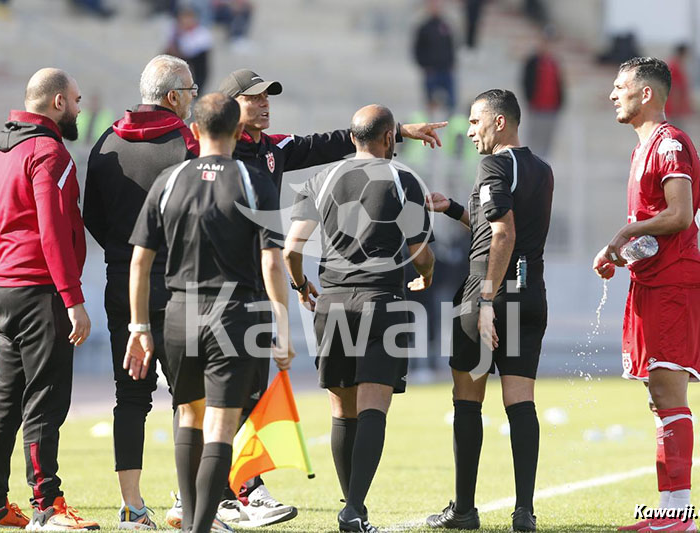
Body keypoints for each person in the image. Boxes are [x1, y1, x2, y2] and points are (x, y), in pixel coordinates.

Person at [156, 68, 446, 528]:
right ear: (232, 109)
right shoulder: (208, 158)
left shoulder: (275, 152)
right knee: (204, 399)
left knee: (244, 395)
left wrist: (401, 132)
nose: (266, 103)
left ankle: (231, 492)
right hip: (219, 291)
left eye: (269, 97)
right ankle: (204, 494)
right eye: (255, 98)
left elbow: (329, 143)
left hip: (272, 291)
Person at [125, 92, 295, 533]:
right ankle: (199, 527)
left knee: (189, 414)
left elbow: (140, 261)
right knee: (221, 422)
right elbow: (272, 262)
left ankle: (189, 524)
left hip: (179, 313)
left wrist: (139, 327)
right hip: (233, 315)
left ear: (194, 130)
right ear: (240, 132)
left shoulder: (169, 180)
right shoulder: (253, 180)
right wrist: (282, 325)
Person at [284, 104, 436, 532]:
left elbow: (292, 250)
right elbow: (419, 252)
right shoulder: (403, 180)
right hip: (382, 300)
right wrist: (426, 275)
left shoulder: (319, 179)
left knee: (341, 410)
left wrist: (300, 286)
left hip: (331, 302)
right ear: (390, 138)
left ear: (352, 138)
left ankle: (353, 508)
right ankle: (353, 507)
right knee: (374, 406)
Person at [0, 68, 98, 530]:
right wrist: (73, 298)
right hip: (41, 290)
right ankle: (48, 503)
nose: (81, 109)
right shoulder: (49, 152)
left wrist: (5, 273)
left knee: (6, 397)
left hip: (4, 286)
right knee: (46, 398)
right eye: (78, 100)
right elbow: (53, 231)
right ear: (58, 102)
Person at [425, 89, 553, 532]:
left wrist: (483, 299)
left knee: (467, 400)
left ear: (500, 122)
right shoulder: (541, 169)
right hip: (528, 292)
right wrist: (455, 210)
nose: (471, 130)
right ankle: (524, 511)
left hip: (488, 295)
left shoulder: (494, 164)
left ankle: (463, 510)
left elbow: (502, 234)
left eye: (476, 121)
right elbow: (495, 225)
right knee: (520, 400)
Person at [594, 57, 700, 533]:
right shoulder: (643, 150)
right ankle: (669, 512)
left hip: (677, 282)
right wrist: (621, 252)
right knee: (658, 395)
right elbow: (657, 230)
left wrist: (625, 231)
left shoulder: (670, 143)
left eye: (620, 86)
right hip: (654, 279)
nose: (612, 94)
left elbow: (680, 216)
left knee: (668, 390)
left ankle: (678, 516)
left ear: (646, 94)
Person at [83, 54, 199, 529]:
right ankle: (185, 502)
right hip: (177, 284)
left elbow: (91, 214)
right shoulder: (186, 142)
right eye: (190, 90)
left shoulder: (107, 140)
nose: (193, 98)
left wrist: (120, 250)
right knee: (189, 397)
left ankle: (132, 507)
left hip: (120, 283)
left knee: (129, 397)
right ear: (173, 97)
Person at [522, 26, 564, 159]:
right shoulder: (533, 61)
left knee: (547, 141)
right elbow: (526, 81)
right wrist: (530, 100)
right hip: (537, 106)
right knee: (534, 139)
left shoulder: (554, 63)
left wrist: (560, 103)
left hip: (551, 108)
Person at [413, 0, 457, 114]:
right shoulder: (424, 27)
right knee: (430, 101)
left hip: (446, 69)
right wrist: (425, 65)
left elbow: (451, 46)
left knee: (451, 102)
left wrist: (452, 63)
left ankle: (449, 124)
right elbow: (417, 49)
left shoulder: (446, 25)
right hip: (431, 71)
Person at [665, 44, 691, 129]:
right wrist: (675, 108)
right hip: (674, 110)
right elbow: (674, 89)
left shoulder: (677, 65)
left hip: (677, 109)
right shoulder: (674, 66)